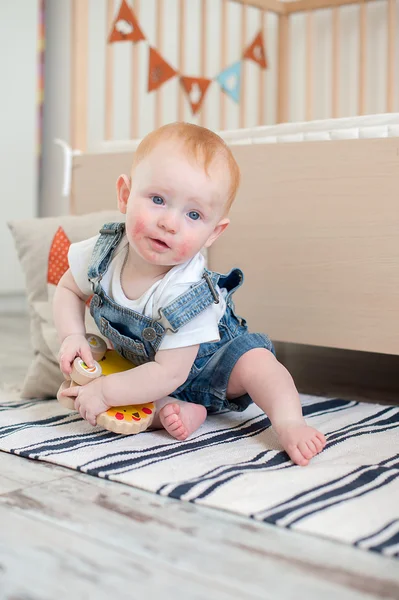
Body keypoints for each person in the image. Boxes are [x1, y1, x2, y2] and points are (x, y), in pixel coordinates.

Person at [53, 122, 326, 466]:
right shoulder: (104, 253)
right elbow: (68, 289)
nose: (170, 222)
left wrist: (105, 391)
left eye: (193, 214)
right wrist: (72, 336)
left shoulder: (188, 292)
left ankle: (290, 423)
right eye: (158, 199)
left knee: (260, 366)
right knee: (114, 406)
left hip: (215, 368)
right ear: (125, 194)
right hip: (148, 373)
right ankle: (178, 409)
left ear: (214, 232)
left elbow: (171, 373)